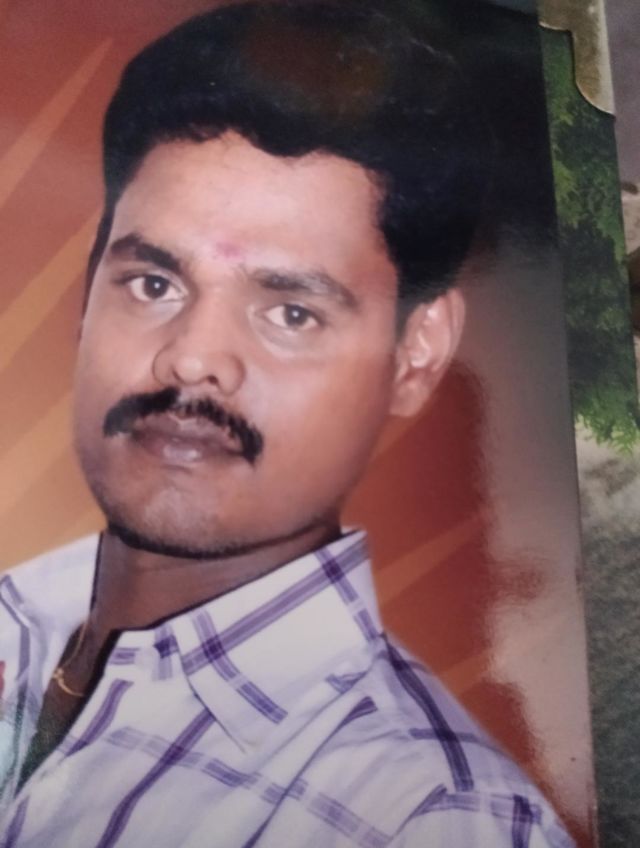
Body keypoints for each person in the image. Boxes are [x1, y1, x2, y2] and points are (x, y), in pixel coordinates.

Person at [0, 1, 574, 845]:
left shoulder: (430, 817)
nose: (192, 360)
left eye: (290, 313)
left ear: (417, 353)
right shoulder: (16, 620)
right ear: (88, 290)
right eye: (154, 284)